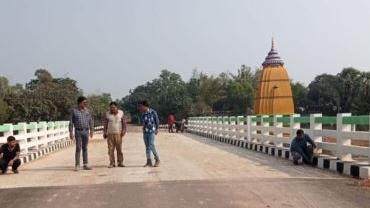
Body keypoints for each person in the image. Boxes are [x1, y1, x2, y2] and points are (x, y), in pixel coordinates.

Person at [69, 96, 94, 171]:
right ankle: (77, 165)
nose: (85, 103)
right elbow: (71, 122)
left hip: (86, 131)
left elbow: (91, 121)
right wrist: (71, 132)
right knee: (78, 148)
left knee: (85, 148)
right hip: (78, 131)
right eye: (84, 102)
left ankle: (85, 164)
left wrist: (92, 130)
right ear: (80, 103)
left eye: (86, 102)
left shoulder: (87, 111)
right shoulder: (74, 111)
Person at [103, 102, 127, 168]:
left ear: (117, 107)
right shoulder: (107, 114)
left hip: (118, 134)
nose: (112, 109)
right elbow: (105, 124)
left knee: (119, 149)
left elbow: (124, 123)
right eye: (111, 107)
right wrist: (104, 132)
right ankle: (112, 163)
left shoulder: (121, 113)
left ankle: (120, 162)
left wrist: (124, 130)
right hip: (110, 134)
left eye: (113, 107)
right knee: (110, 150)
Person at [138, 100, 160, 167]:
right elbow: (142, 121)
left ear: (145, 106)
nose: (140, 108)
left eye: (141, 106)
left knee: (151, 145)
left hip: (151, 132)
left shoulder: (153, 112)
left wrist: (157, 129)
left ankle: (157, 160)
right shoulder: (142, 113)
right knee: (147, 147)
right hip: (145, 132)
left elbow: (157, 120)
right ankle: (149, 161)